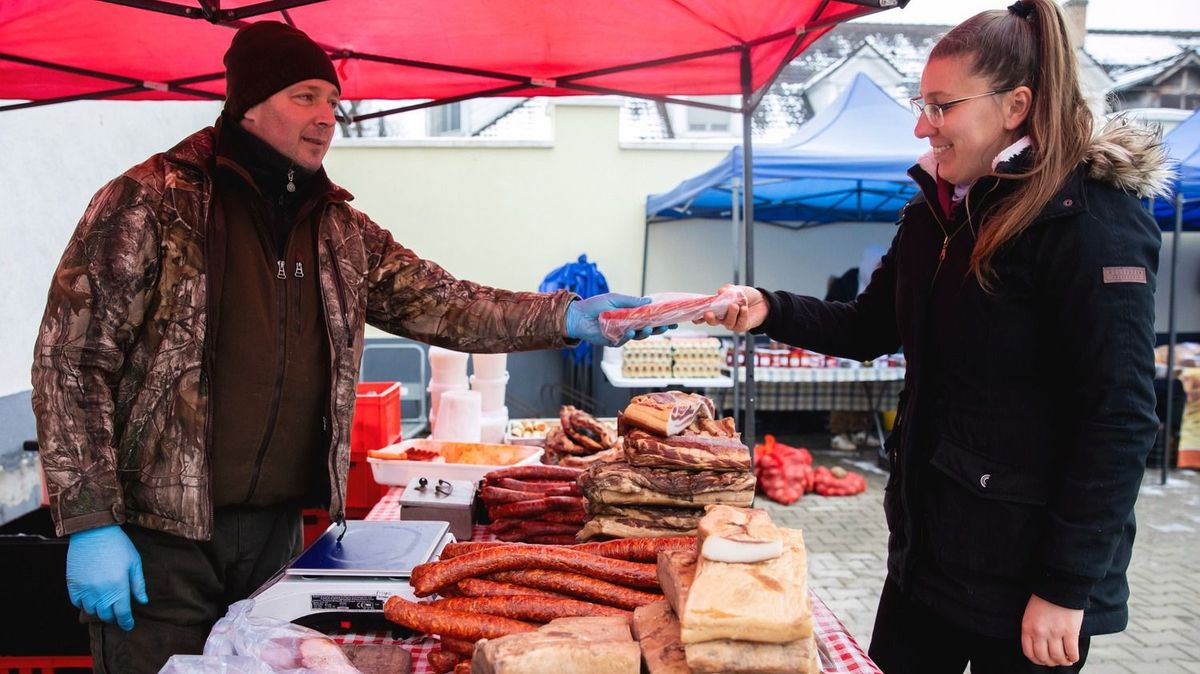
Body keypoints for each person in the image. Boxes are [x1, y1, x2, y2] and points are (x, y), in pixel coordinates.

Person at [31, 21, 664, 674]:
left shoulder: (337, 230)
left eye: (333, 102)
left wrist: (570, 315)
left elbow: (446, 302)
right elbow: (70, 362)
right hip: (157, 541)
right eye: (305, 96)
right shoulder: (150, 202)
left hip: (275, 536)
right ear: (249, 103)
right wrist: (90, 520)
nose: (326, 117)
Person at [699, 0, 1168, 670]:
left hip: (1028, 577)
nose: (924, 126)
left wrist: (1067, 587)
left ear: (1015, 106)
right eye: (923, 105)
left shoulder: (1092, 222)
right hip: (928, 555)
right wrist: (767, 308)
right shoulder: (935, 215)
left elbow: (1119, 417)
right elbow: (868, 326)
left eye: (941, 106)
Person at [824, 245, 886, 451]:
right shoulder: (849, 281)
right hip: (842, 345)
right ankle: (839, 431)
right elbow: (831, 309)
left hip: (871, 349)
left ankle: (861, 430)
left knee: (866, 389)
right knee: (844, 389)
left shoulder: (883, 282)